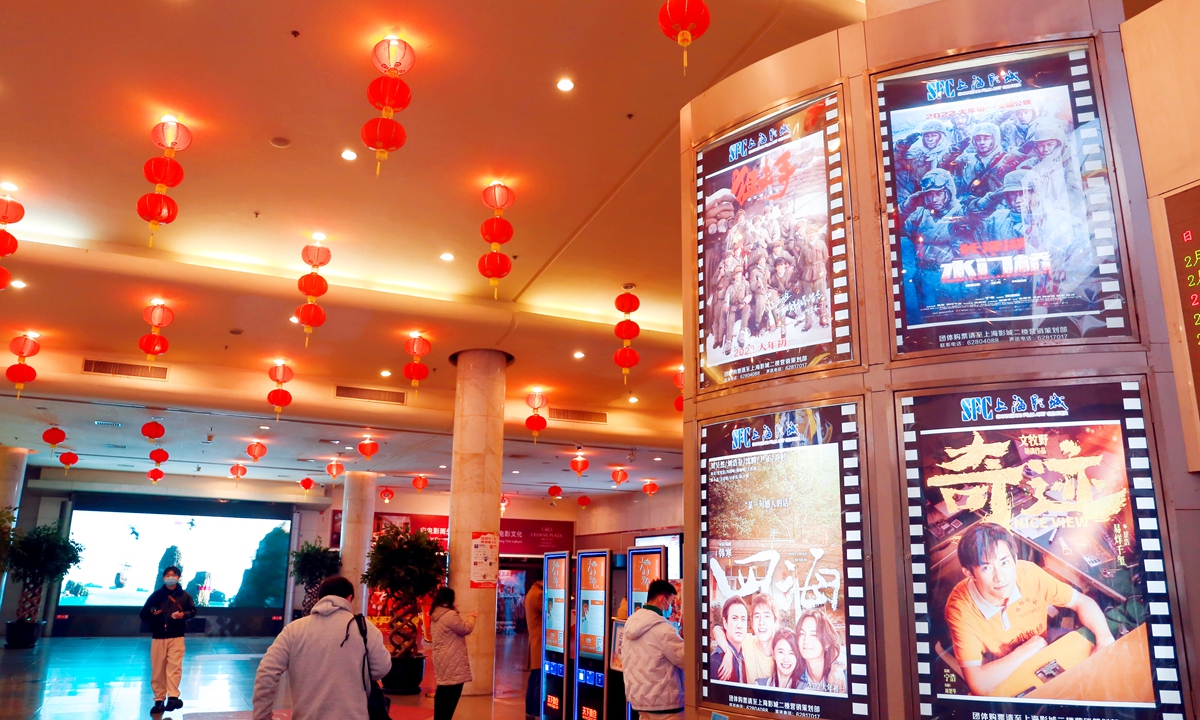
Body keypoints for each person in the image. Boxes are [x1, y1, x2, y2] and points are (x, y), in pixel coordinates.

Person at [944, 523, 1115, 696]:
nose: (1000, 577)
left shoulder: (1029, 573)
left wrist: (1105, 639)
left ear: (1015, 559)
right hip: (1003, 667)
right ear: (970, 574)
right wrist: (1026, 650)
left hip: (1044, 646)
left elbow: (1082, 602)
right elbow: (979, 684)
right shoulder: (959, 608)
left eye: (1004, 562)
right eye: (986, 568)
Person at [251, 576, 391, 720]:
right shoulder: (366, 629)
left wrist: (263, 717)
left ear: (319, 598)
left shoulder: (294, 630)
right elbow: (381, 668)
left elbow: (266, 672)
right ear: (349, 598)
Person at [623, 580, 685, 720]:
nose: (672, 607)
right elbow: (686, 659)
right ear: (662, 599)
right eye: (671, 601)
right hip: (666, 707)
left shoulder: (631, 624)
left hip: (642, 704)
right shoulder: (663, 630)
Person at [140, 566, 196, 716]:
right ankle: (159, 700)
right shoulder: (156, 596)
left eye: (174, 575)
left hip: (177, 636)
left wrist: (183, 614)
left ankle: (173, 697)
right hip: (158, 636)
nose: (171, 577)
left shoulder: (184, 596)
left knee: (174, 667)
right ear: (164, 578)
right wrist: (154, 612)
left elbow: (193, 611)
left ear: (178, 577)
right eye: (168, 575)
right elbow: (145, 612)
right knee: (158, 669)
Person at [430, 587, 478, 720]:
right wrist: (471, 618)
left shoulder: (435, 614)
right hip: (453, 659)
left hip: (441, 658)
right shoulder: (450, 615)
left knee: (443, 692)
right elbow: (465, 628)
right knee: (451, 695)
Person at [796, 609, 847, 693]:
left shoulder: (841, 678)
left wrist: (838, 665)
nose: (806, 641)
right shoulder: (796, 679)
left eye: (814, 635)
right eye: (802, 634)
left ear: (827, 642)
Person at [708, 595, 749, 683]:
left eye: (743, 619)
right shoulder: (717, 660)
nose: (739, 625)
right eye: (734, 618)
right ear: (725, 623)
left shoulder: (746, 652)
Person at [523, 576, 544, 720]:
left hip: (534, 640)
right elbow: (551, 614)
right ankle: (536, 712)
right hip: (540, 641)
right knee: (538, 679)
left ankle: (529, 711)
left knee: (533, 678)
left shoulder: (531, 592)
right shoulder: (539, 594)